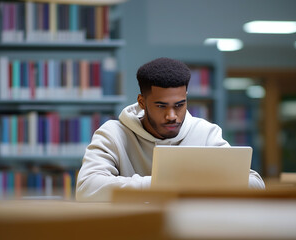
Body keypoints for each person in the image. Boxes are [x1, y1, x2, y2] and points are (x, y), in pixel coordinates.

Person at [76, 57, 265, 202]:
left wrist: (200, 184)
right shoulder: (114, 133)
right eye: (161, 106)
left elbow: (256, 185)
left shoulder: (206, 133)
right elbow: (86, 188)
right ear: (142, 102)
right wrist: (164, 184)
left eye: (179, 105)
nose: (172, 116)